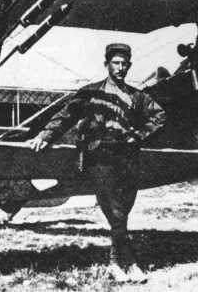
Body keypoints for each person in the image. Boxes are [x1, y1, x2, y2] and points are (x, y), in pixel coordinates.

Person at [28, 43, 166, 282]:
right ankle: (129, 262)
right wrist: (45, 135)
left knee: (121, 211)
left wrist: (138, 135)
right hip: (99, 157)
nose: (121, 68)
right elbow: (66, 115)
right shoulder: (90, 92)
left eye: (125, 64)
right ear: (107, 65)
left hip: (127, 159)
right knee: (115, 210)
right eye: (116, 63)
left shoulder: (137, 96)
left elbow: (160, 116)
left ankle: (115, 263)